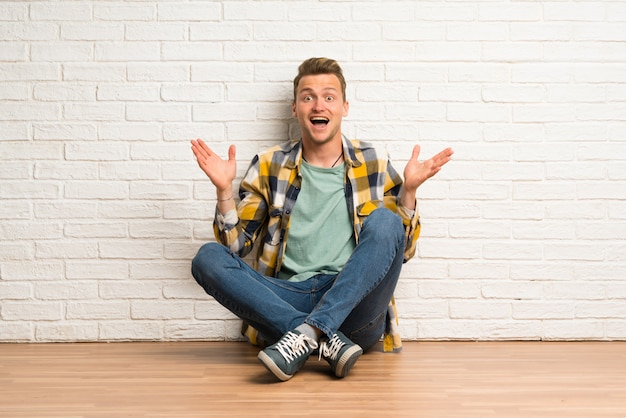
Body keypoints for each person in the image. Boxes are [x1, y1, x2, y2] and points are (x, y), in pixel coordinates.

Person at [190, 57, 453, 382]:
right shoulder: (269, 164)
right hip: (287, 295)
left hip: (353, 303)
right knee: (207, 258)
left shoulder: (374, 163)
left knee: (386, 222)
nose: (319, 104)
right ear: (295, 108)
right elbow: (236, 247)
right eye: (308, 96)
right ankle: (321, 339)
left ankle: (307, 333)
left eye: (329, 96)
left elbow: (402, 251)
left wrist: (409, 192)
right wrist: (223, 192)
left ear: (344, 106)